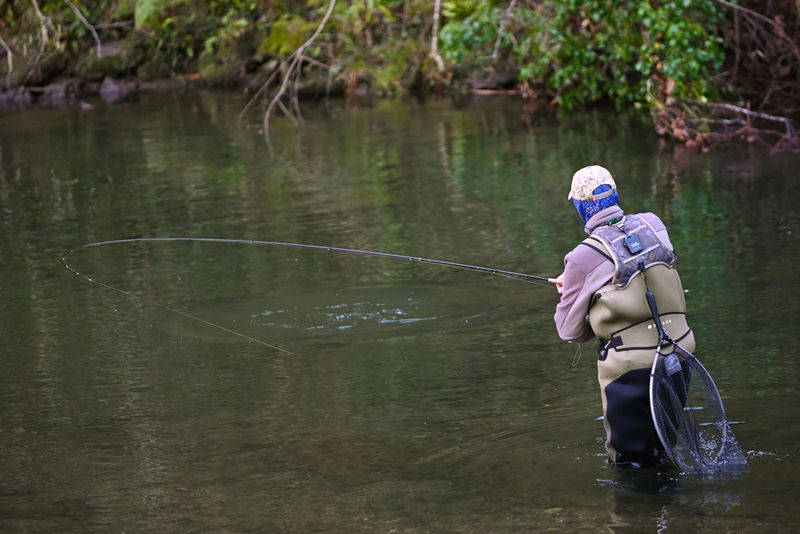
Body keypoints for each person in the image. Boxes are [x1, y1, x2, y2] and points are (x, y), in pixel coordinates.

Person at [553, 165, 695, 467]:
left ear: (580, 206)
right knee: (665, 451)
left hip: (631, 371)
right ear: (614, 194)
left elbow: (569, 331)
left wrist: (573, 290)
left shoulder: (580, 258)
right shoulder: (653, 224)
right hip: (680, 354)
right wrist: (582, 285)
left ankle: (640, 515)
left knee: (631, 467)